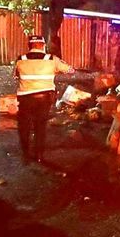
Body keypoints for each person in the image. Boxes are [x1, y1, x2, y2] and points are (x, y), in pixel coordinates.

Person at [13, 35, 74, 163]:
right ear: (43, 45)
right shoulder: (52, 59)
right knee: (40, 126)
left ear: (29, 46)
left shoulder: (20, 59)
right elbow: (70, 70)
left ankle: (26, 155)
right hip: (44, 99)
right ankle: (39, 156)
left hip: (25, 98)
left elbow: (16, 75)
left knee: (24, 127)